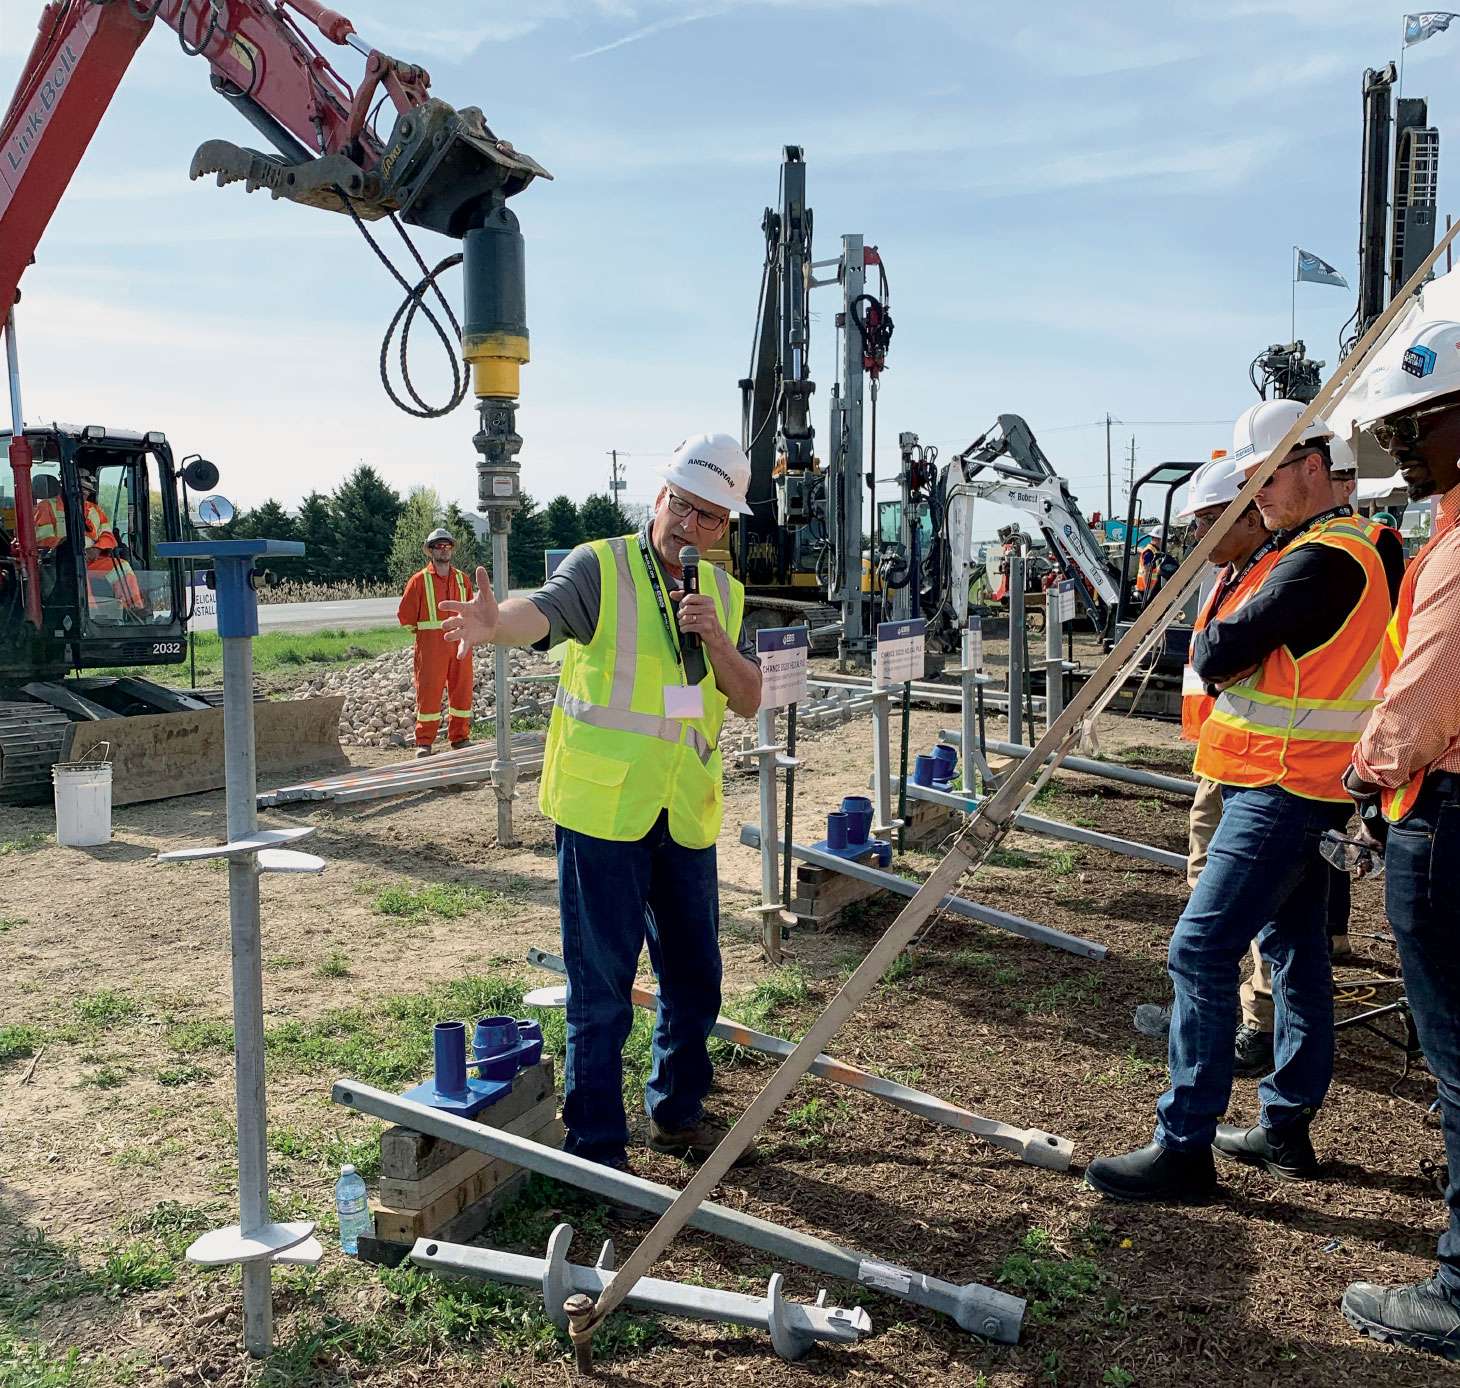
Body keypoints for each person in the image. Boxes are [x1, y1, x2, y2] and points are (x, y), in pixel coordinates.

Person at [1086, 399, 1392, 1202]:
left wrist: (1222, 650)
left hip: (1280, 785)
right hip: (1314, 786)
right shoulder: (1368, 547)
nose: (1256, 499)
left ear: (1313, 465)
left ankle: (1184, 1146)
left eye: (1266, 480)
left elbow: (1220, 647)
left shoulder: (1320, 557)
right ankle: (1284, 1128)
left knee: (1200, 949)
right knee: (1295, 952)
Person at [441, 433, 763, 1168]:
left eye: (710, 516)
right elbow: (543, 612)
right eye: (683, 505)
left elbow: (746, 699)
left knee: (695, 982)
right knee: (602, 991)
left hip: (683, 814)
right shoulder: (602, 566)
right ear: (661, 495)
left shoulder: (722, 593)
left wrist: (715, 639)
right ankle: (596, 1146)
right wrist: (496, 624)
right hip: (603, 815)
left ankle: (677, 1113)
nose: (690, 525)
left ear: (724, 526)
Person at [1337, 320, 1460, 1360]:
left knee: (1455, 1055)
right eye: (1392, 433)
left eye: (1416, 428)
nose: (1401, 450)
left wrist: (1364, 770)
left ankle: (1458, 1290)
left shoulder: (1456, 549)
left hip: (1444, 816)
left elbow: (1419, 705)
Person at [1133, 454, 1280, 1043]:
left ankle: (1255, 1019)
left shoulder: (1270, 575)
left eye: (1208, 519)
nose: (1198, 533)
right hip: (1223, 752)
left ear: (1249, 515)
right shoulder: (1234, 572)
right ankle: (1205, 1007)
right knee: (1211, 887)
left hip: (1256, 762)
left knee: (1246, 901)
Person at [397, 527, 475, 756]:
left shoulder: (462, 579)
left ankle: (460, 738)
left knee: (462, 690)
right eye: (439, 546)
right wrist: (425, 636)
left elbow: (471, 611)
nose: (444, 550)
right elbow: (406, 617)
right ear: (430, 551)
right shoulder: (418, 581)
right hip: (432, 648)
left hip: (460, 644)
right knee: (429, 692)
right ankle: (424, 742)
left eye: (447, 546)